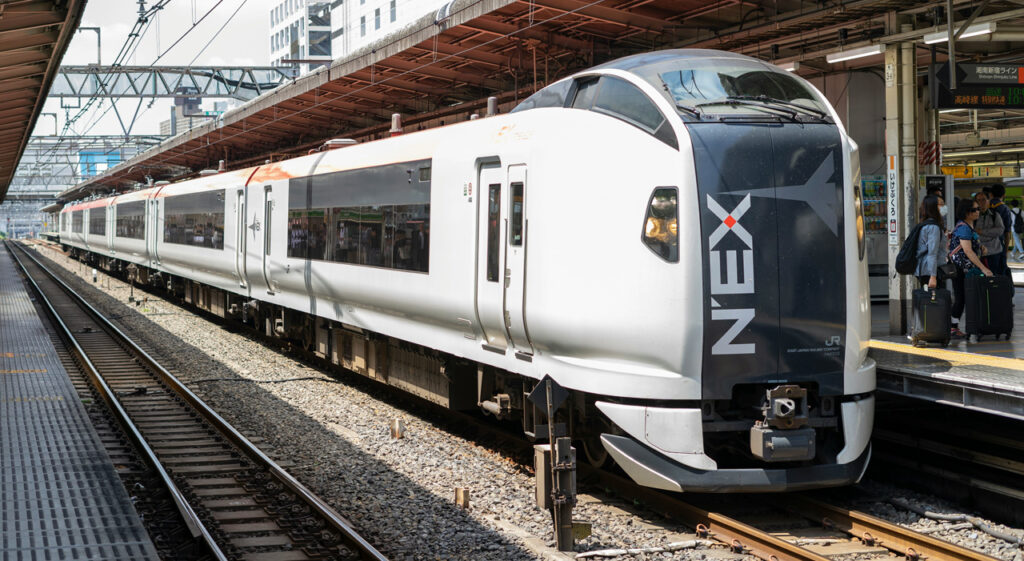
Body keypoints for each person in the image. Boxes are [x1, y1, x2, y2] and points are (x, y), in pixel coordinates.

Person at [949, 199, 993, 338]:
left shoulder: (968, 226)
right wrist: (984, 268)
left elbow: (970, 247)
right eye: (975, 210)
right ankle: (952, 327)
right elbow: (967, 251)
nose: (978, 212)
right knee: (960, 298)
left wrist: (981, 248)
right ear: (967, 212)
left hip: (966, 269)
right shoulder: (963, 227)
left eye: (978, 209)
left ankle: (954, 326)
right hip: (961, 269)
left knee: (963, 298)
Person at [914, 195, 947, 289]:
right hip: (929, 271)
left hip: (925, 269)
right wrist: (933, 276)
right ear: (934, 207)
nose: (944, 207)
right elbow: (932, 253)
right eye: (941, 204)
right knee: (934, 301)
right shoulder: (934, 227)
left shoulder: (927, 223)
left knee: (930, 300)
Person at [973, 192, 1004, 271]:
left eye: (984, 200)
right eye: (978, 200)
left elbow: (1000, 230)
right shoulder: (972, 215)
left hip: (994, 252)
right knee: (979, 278)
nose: (981, 202)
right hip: (977, 253)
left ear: (988, 201)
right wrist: (991, 232)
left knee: (994, 277)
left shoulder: (995, 215)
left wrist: (981, 231)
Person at [988, 184, 1013, 276]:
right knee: (999, 274)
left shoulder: (985, 207)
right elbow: (1007, 232)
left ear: (990, 194)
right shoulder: (1005, 209)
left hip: (984, 246)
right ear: (1003, 195)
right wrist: (1005, 251)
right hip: (999, 246)